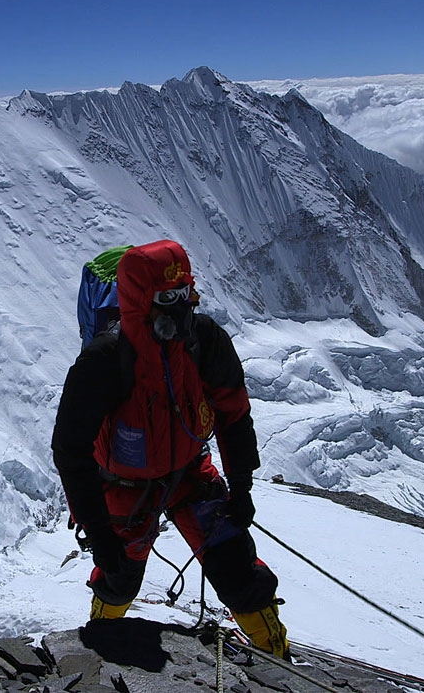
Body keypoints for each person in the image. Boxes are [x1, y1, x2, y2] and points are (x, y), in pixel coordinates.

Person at [52, 239, 290, 658]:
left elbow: (233, 412)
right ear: (140, 301)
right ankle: (98, 652)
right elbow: (71, 450)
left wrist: (241, 486)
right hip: (124, 485)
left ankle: (278, 657)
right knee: (119, 577)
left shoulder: (203, 340)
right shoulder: (104, 361)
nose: (178, 310)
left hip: (189, 472)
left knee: (235, 568)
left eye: (183, 297)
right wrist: (99, 531)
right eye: (167, 299)